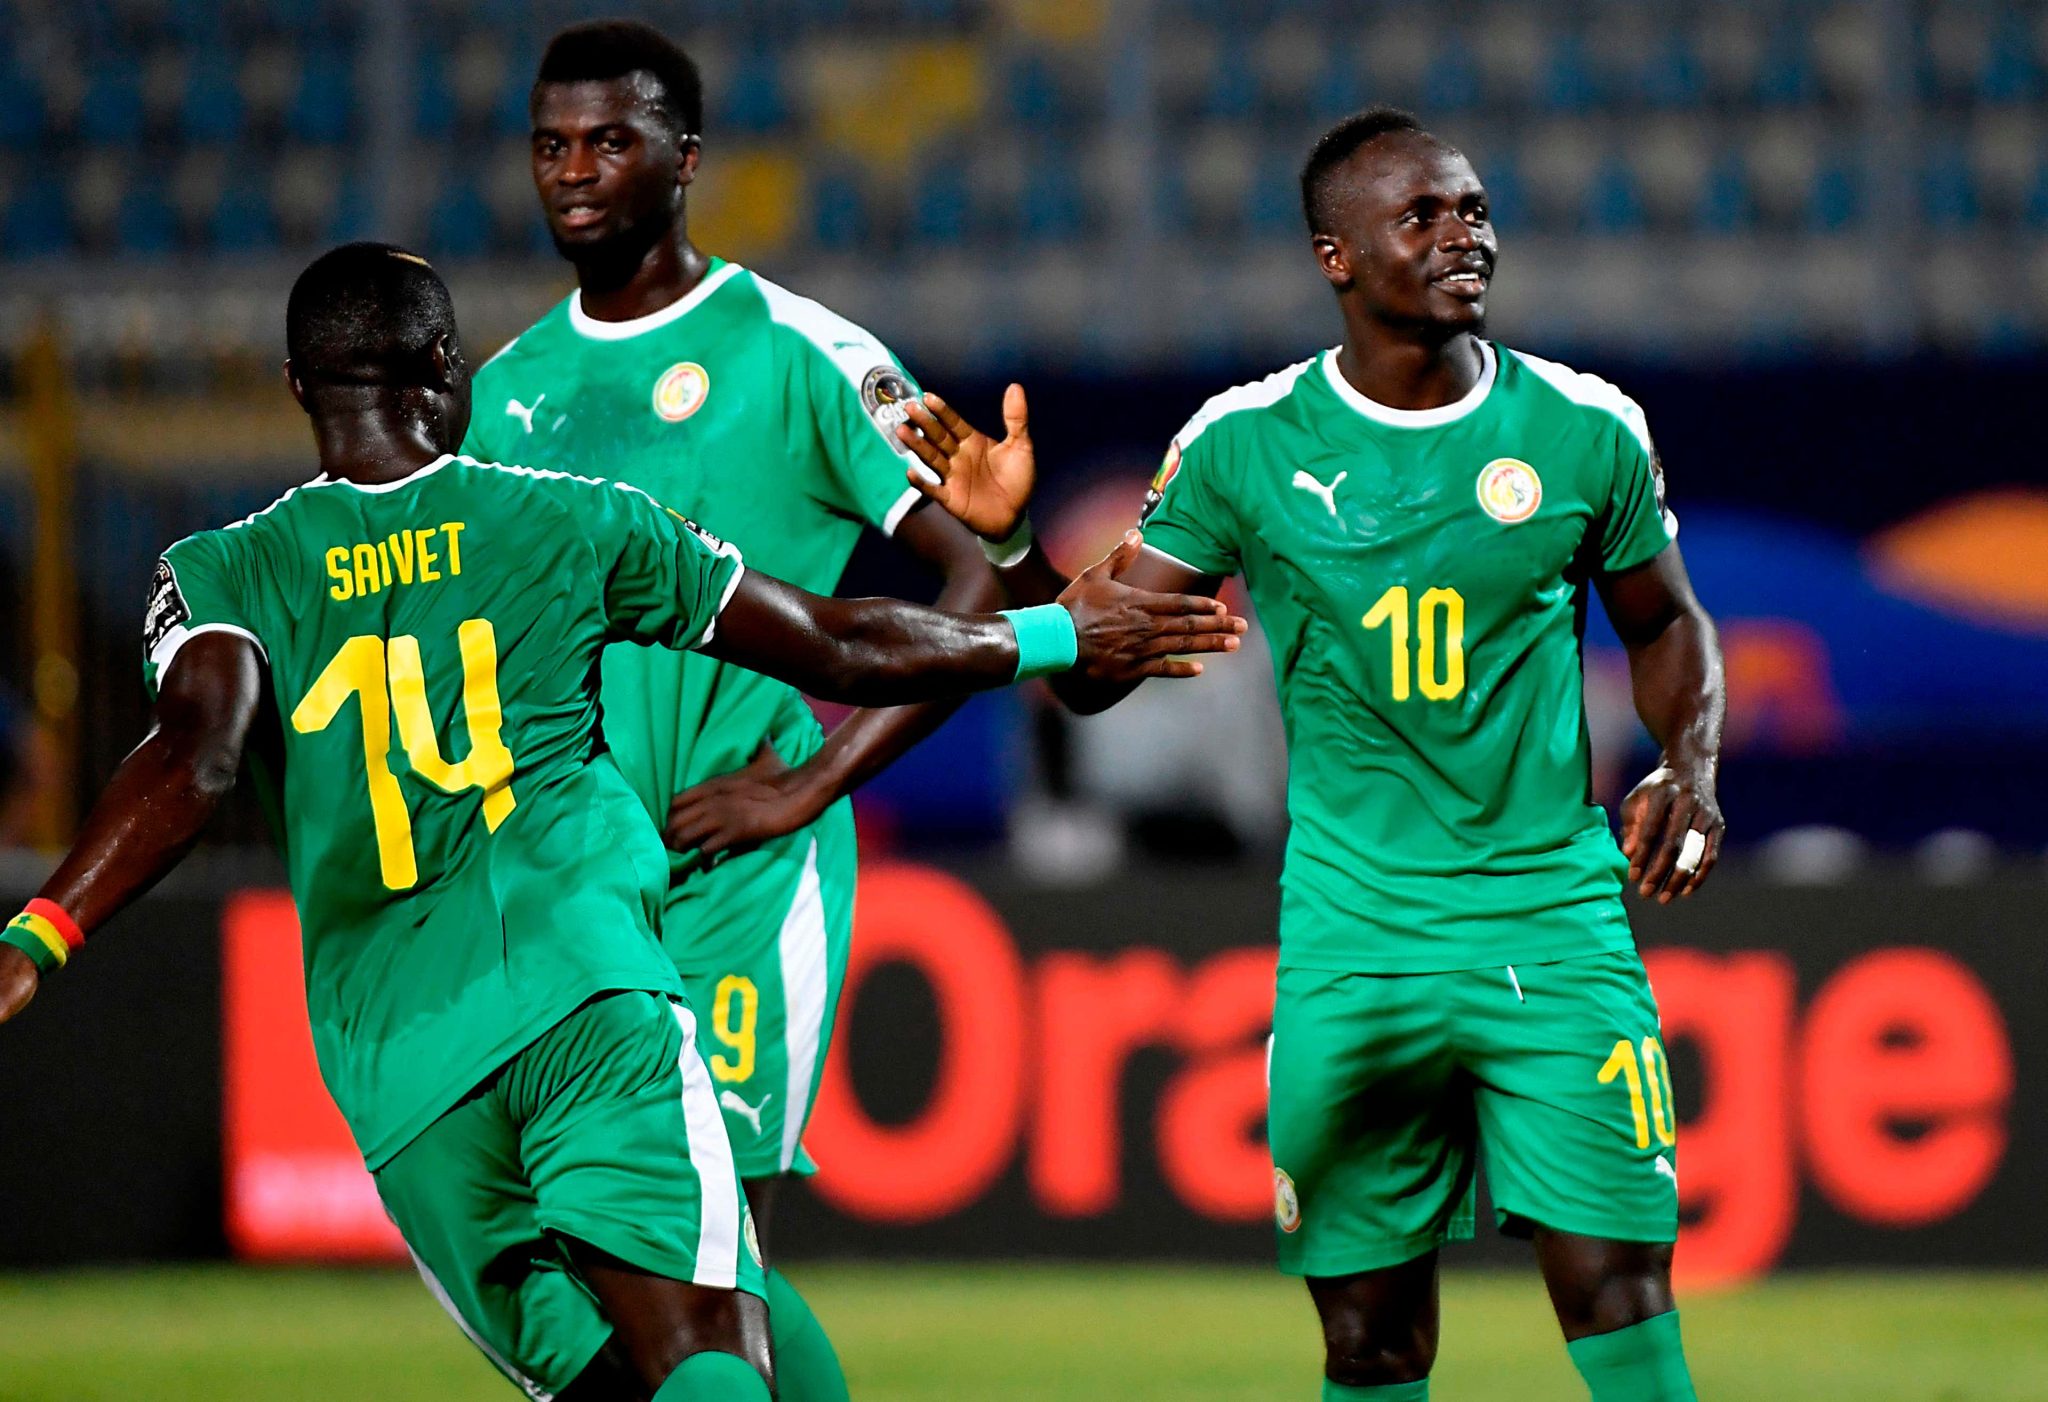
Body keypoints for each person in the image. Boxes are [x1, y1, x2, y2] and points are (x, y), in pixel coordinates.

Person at [0, 243, 1241, 1402]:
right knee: (704, 1340)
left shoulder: (217, 572)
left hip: (399, 1072)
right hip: (582, 995)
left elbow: (193, 761)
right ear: (448, 370)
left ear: (293, 386)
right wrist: (1054, 630)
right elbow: (838, 642)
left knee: (617, 1379)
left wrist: (43, 929)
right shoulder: (569, 517)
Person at [896, 109, 1725, 1402]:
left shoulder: (1584, 426)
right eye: (1422, 215)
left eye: (1473, 209)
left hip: (1551, 925)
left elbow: (1665, 622)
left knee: (1620, 1291)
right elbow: (1093, 676)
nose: (1463, 235)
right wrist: (1009, 553)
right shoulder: (1244, 443)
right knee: (1367, 1340)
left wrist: (1690, 761)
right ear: (1335, 256)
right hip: (1352, 939)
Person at [457, 27, 1004, 1395]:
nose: (575, 170)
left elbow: (982, 573)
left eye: (611, 140)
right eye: (551, 144)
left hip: (737, 870)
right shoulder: (507, 393)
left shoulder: (799, 349)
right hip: (579, 886)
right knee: (619, 1251)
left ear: (685, 158)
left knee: (711, 1244)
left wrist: (811, 783)